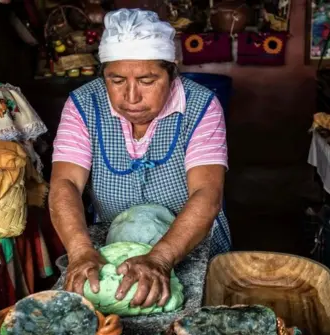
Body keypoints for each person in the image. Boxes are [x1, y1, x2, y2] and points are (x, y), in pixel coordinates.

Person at [49, 9, 231, 309]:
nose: (131, 97)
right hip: (112, 244)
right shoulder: (82, 104)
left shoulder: (201, 106)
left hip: (191, 244)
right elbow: (65, 182)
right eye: (116, 80)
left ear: (172, 73)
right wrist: (81, 251)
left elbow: (207, 192)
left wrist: (160, 258)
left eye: (147, 80)